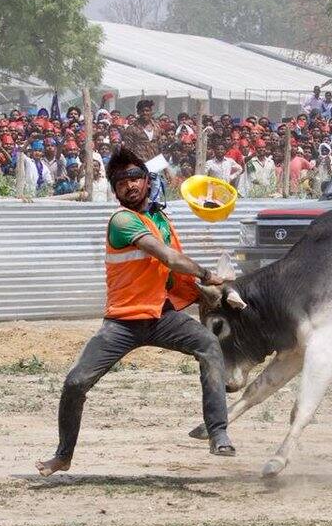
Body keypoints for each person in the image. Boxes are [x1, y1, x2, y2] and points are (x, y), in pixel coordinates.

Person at [35, 148, 235, 477]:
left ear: (146, 181)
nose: (129, 185)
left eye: (135, 178)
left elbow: (172, 272)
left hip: (160, 315)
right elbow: (169, 259)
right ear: (114, 191)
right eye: (121, 181)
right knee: (75, 383)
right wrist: (206, 275)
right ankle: (63, 455)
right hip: (123, 321)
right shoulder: (122, 220)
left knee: (209, 345)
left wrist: (200, 293)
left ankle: (218, 432)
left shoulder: (159, 220)